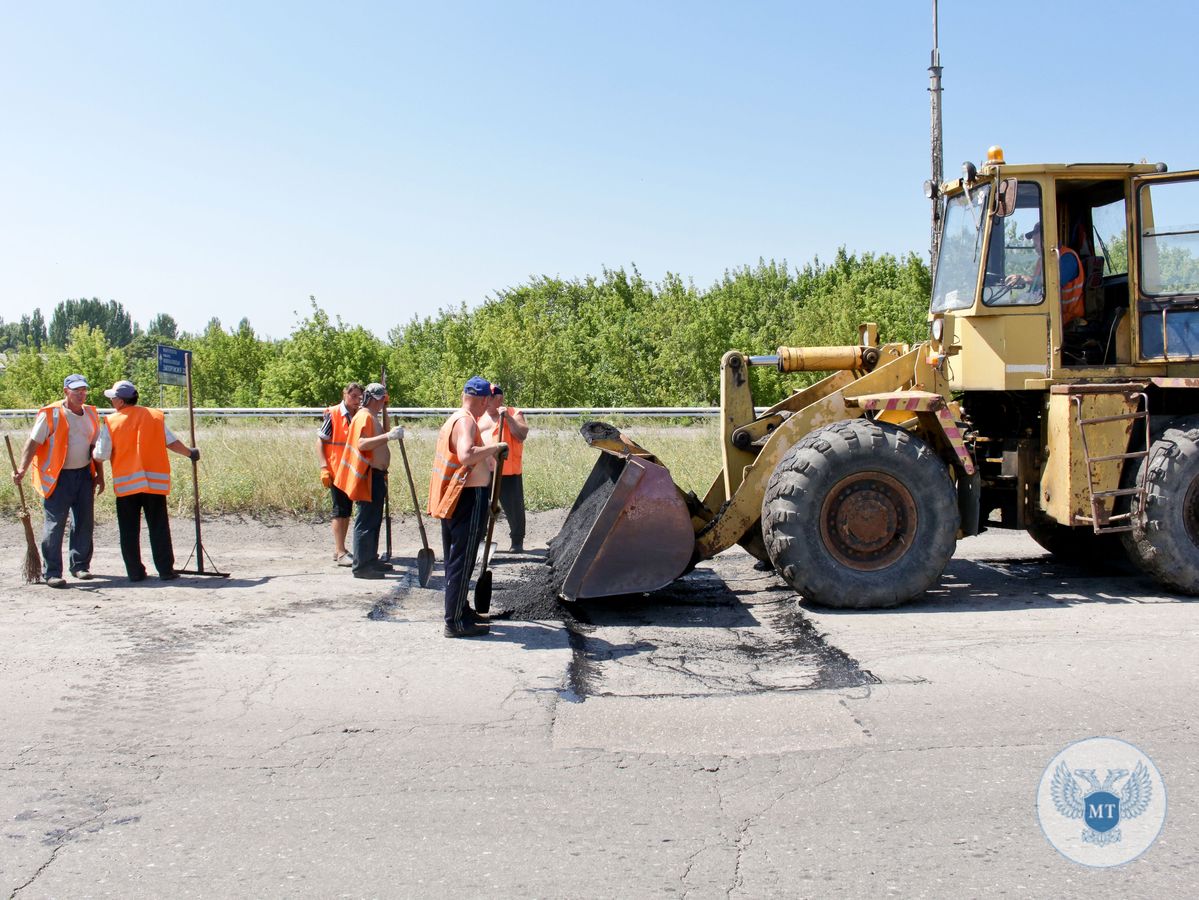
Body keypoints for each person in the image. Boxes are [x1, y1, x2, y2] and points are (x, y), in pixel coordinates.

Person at [92, 380, 199, 582]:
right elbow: (172, 442)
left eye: (113, 398)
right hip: (154, 483)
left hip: (127, 485)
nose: (112, 401)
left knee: (129, 531)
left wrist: (91, 455)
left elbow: (101, 454)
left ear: (121, 401)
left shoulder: (112, 421)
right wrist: (190, 453)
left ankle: (135, 572)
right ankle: (166, 570)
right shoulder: (154, 417)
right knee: (159, 527)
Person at [427, 376, 508, 638]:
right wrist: (496, 447)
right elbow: (466, 454)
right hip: (467, 497)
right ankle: (455, 621)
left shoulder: (455, 417)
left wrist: (490, 457)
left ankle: (461, 608)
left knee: (457, 558)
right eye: (488, 399)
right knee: (462, 560)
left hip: (455, 496)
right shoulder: (466, 421)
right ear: (484, 399)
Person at [11, 374, 105, 588]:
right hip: (57, 477)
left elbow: (95, 447)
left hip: (84, 475)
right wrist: (22, 468)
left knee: (84, 523)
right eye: (76, 390)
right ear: (66, 391)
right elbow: (33, 443)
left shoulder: (90, 413)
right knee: (55, 525)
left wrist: (99, 474)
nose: (81, 394)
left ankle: (80, 566)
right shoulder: (51, 413)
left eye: (83, 390)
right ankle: (52, 572)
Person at [334, 382, 405, 580]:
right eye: (382, 398)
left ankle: (370, 559)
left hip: (377, 475)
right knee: (366, 521)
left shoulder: (370, 416)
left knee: (373, 520)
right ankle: (362, 566)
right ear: (374, 398)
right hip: (368, 475)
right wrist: (389, 436)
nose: (384, 402)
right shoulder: (364, 416)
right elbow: (362, 443)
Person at [478, 383, 530, 553]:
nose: (485, 401)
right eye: (484, 397)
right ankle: (480, 538)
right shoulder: (479, 415)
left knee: (513, 507)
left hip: (507, 471)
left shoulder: (515, 413)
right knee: (481, 506)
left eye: (489, 398)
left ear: (499, 399)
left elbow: (522, 434)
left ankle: (517, 541)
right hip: (483, 471)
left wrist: (507, 417)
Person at [317, 382, 363, 567]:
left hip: (352, 471)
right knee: (340, 511)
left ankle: (340, 550)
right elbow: (320, 441)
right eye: (353, 397)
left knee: (347, 511)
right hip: (337, 471)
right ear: (345, 395)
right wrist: (323, 468)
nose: (356, 401)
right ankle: (340, 550)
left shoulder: (359, 415)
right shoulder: (334, 414)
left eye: (360, 397)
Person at [1006, 221, 1085, 327]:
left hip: (1067, 319)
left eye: (1037, 240)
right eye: (1034, 241)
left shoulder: (1067, 257)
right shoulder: (1042, 261)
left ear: (1048, 238)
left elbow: (1053, 283)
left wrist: (1026, 279)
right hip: (1049, 315)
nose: (1034, 245)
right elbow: (1035, 291)